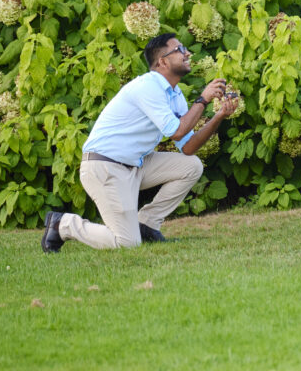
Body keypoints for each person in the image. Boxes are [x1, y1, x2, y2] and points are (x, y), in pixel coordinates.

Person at [41, 33, 237, 252]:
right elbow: (177, 132)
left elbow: (188, 147)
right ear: (162, 61)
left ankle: (147, 224)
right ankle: (63, 224)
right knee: (126, 243)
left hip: (135, 165)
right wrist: (203, 99)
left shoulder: (175, 94)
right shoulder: (148, 86)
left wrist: (218, 116)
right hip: (105, 167)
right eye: (180, 50)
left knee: (191, 166)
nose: (187, 53)